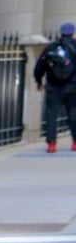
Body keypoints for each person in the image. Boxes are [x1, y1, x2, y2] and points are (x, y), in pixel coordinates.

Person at [35, 22, 76, 152]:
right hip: (73, 87)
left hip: (53, 86)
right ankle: (75, 142)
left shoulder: (51, 47)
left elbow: (40, 66)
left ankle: (51, 144)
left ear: (61, 32)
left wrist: (39, 81)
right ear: (73, 32)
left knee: (51, 115)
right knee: (73, 114)